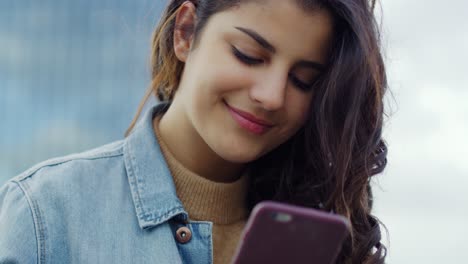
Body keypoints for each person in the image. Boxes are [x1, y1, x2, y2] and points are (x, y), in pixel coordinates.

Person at [0, 0, 388, 263]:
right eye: (248, 55)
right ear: (185, 32)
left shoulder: (317, 237)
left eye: (303, 80)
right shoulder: (44, 213)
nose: (271, 96)